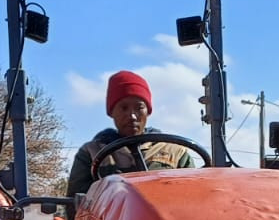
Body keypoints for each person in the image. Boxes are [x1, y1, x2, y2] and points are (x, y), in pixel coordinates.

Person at [66, 70, 193, 199]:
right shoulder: (92, 153)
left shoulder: (175, 152)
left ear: (148, 111)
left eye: (139, 108)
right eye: (124, 108)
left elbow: (195, 196)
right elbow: (78, 206)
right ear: (111, 112)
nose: (132, 116)